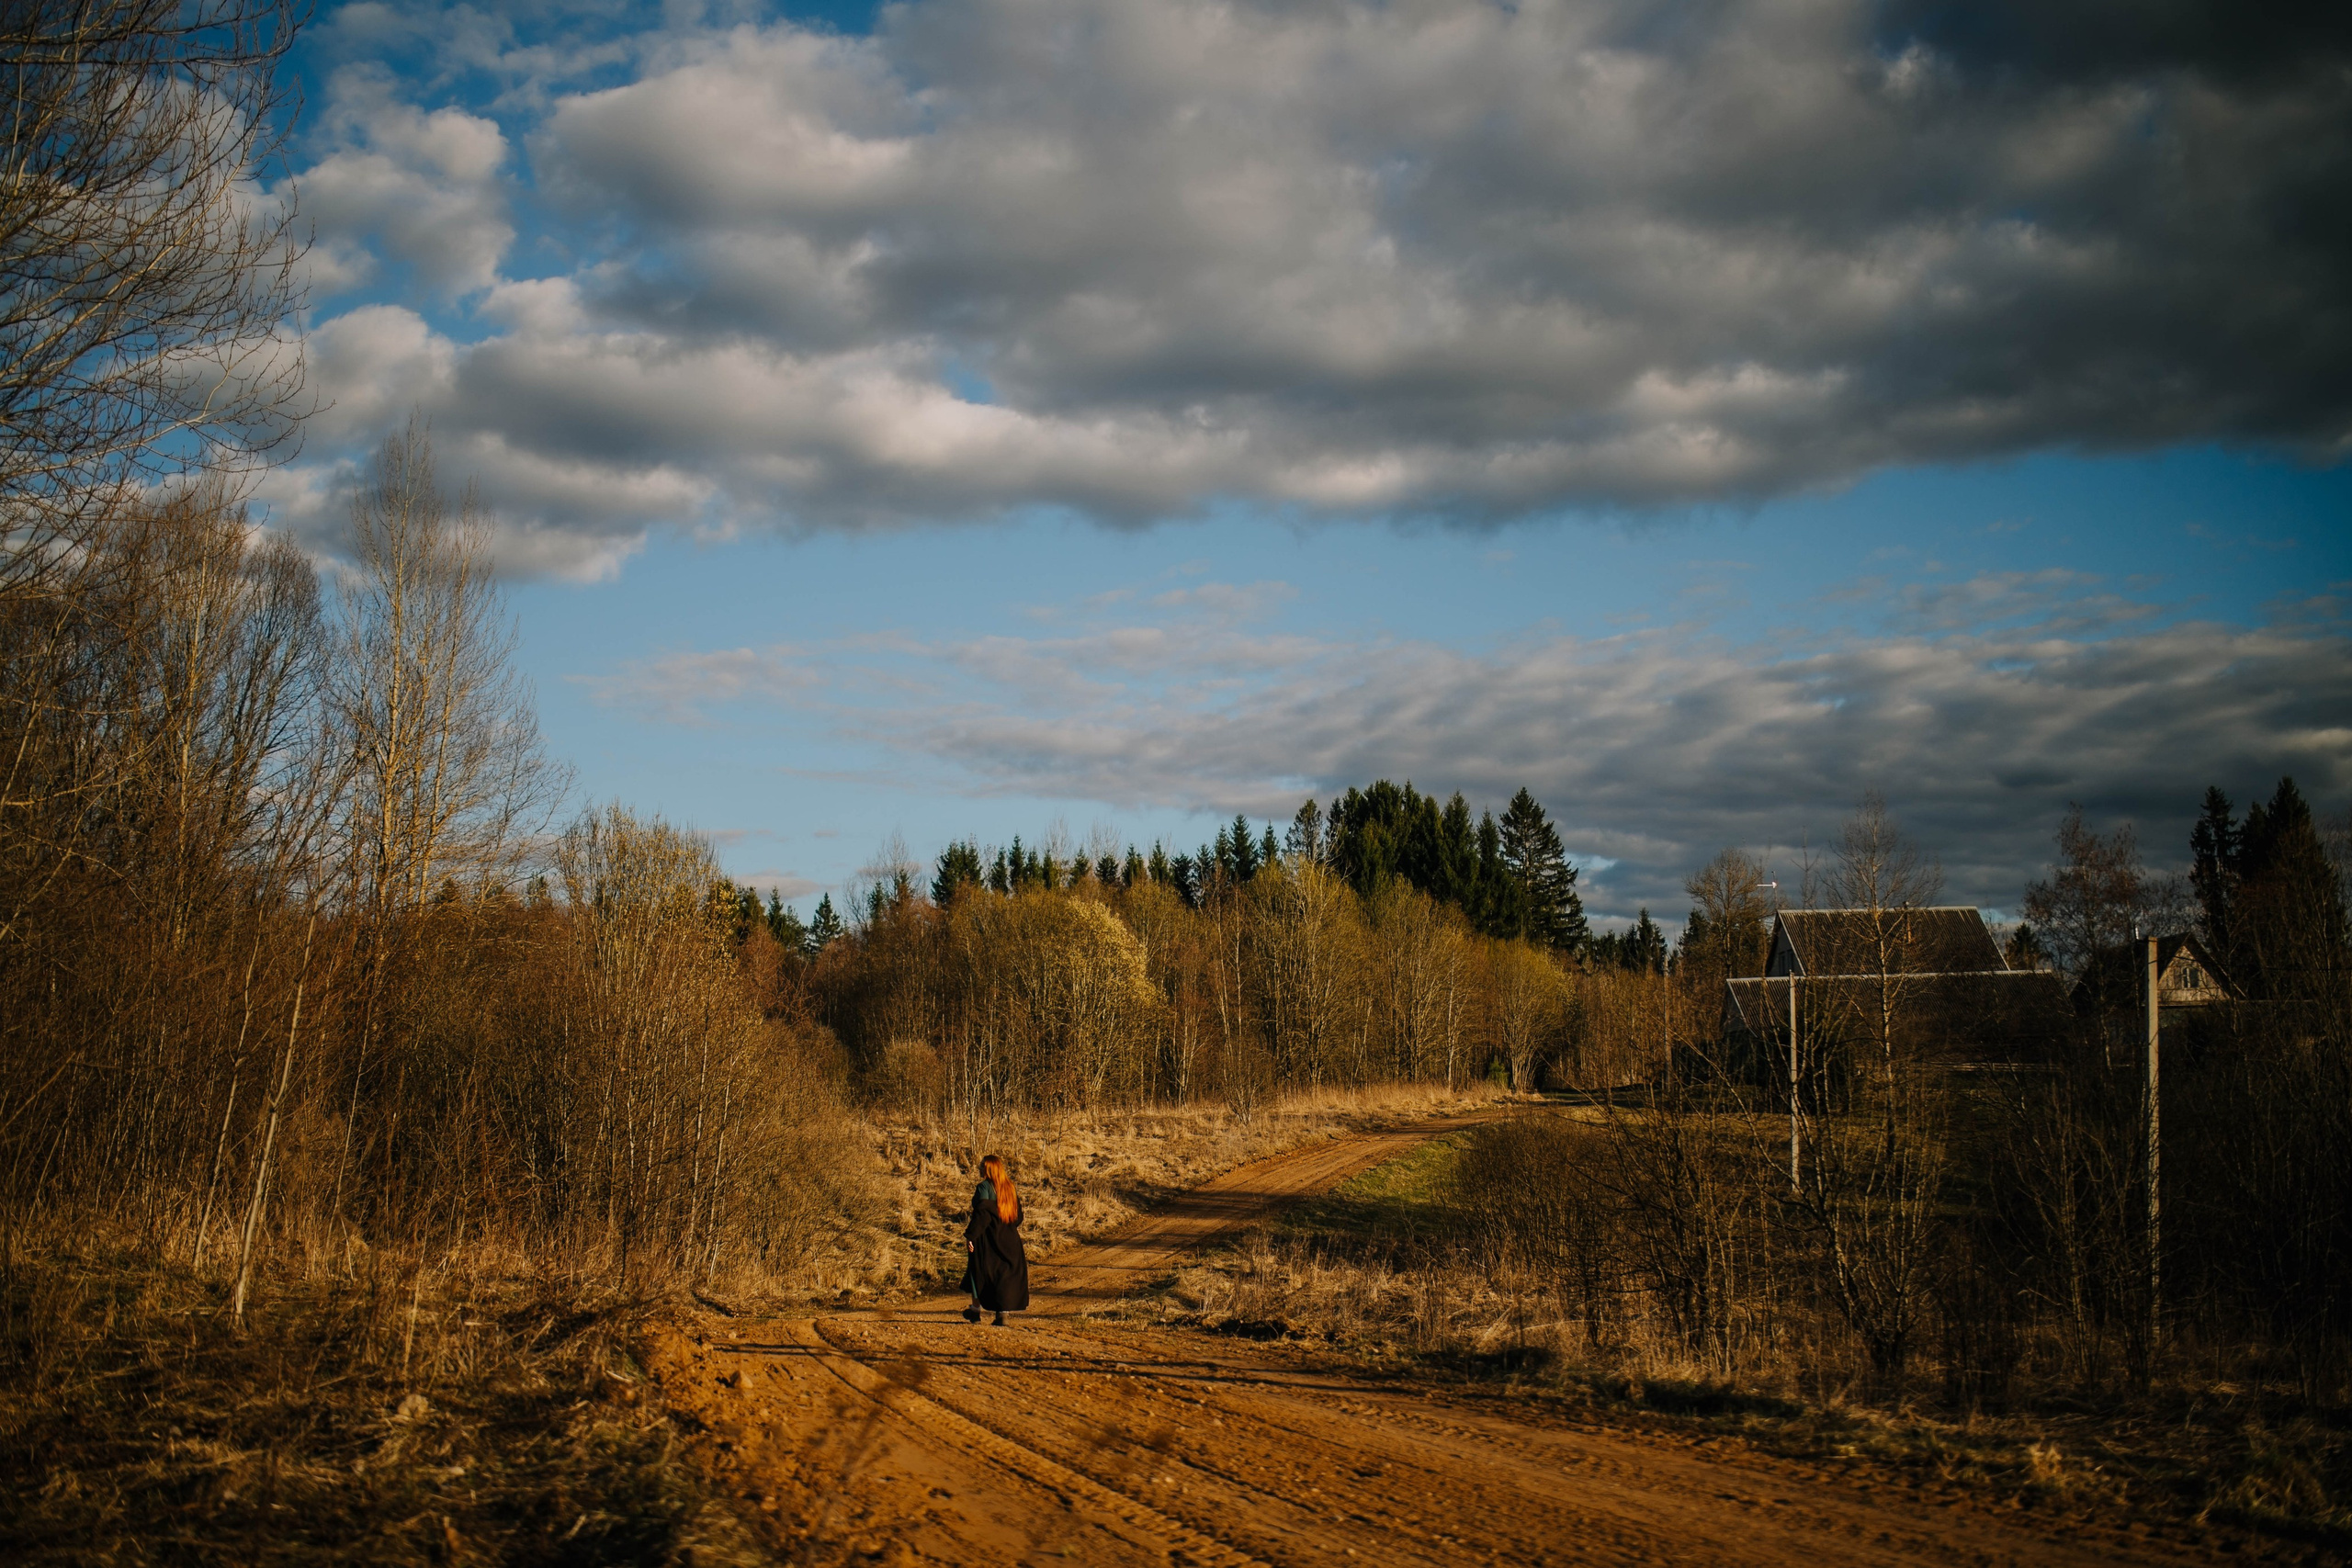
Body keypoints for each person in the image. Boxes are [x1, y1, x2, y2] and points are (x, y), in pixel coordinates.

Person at [960, 1152, 1029, 1326]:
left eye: (982, 1165)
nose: (979, 1168)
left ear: (989, 1169)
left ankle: (976, 1311)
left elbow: (982, 1216)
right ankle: (1002, 1315)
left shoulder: (984, 1188)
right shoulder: (1010, 1188)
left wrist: (971, 1236)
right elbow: (1018, 1217)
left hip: (986, 1238)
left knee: (978, 1271)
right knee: (1004, 1275)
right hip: (1009, 1238)